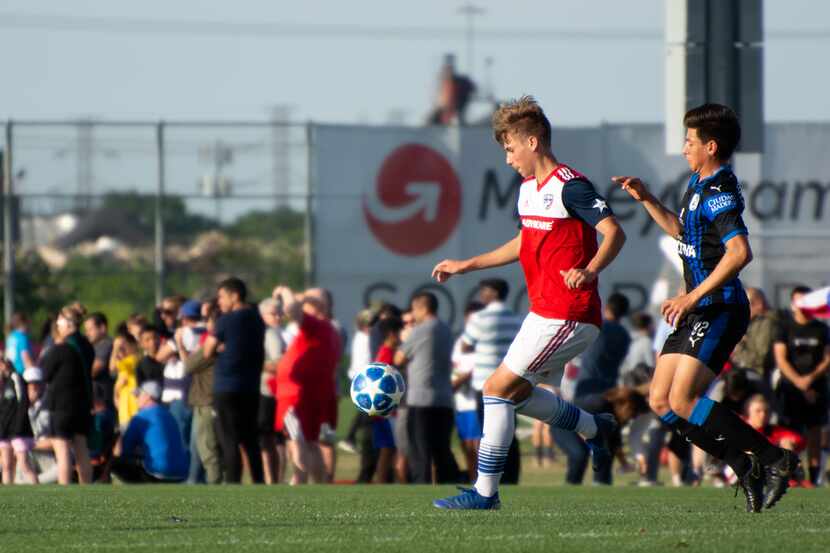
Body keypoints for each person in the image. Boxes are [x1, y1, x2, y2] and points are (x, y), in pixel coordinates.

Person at [431, 96, 625, 509]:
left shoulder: (572, 186)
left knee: (495, 389)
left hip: (570, 313)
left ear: (532, 142)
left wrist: (589, 270)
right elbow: (525, 243)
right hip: (544, 312)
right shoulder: (527, 191)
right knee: (514, 395)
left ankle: (486, 493)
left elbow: (614, 233)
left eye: (510, 148)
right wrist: (467, 265)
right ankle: (596, 429)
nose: (508, 159)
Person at [613, 103, 798, 512]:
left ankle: (774, 459)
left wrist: (690, 296)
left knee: (682, 400)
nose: (683, 148)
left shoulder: (720, 191)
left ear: (710, 146)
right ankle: (741, 467)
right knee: (660, 401)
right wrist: (646, 199)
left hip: (719, 307)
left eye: (689, 141)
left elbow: (739, 252)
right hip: (697, 308)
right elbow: (683, 234)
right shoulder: (697, 183)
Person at [270, 285, 340, 484]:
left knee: (297, 442)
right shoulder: (329, 329)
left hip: (296, 396)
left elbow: (291, 308)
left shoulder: (315, 326)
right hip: (312, 395)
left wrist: (284, 291)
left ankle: (298, 481)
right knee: (311, 443)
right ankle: (318, 486)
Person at [202, 277, 265, 484]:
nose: (219, 301)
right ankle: (259, 481)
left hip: (226, 386)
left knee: (228, 439)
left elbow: (207, 350)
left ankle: (234, 482)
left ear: (234, 296)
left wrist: (220, 348)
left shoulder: (226, 320)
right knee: (250, 439)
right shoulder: (257, 319)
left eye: (221, 296)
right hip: (251, 386)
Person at [461, 279, 524, 483]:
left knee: (488, 435)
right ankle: (511, 478)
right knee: (509, 433)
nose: (481, 294)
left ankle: (488, 480)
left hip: (485, 385)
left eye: (484, 290)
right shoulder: (515, 318)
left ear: (493, 293)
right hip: (510, 383)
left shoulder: (479, 318)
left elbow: (465, 345)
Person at [394, 292, 456, 484]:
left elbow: (398, 359)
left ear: (422, 308)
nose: (413, 315)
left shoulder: (420, 330)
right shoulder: (447, 329)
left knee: (420, 452)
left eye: (414, 310)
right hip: (445, 398)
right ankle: (448, 490)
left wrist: (405, 340)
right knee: (442, 451)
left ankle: (421, 490)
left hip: (420, 399)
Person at [772, 286, 830, 486]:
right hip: (790, 388)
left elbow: (827, 359)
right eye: (799, 301)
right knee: (789, 433)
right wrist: (798, 382)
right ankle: (790, 476)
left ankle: (814, 479)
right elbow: (781, 359)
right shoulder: (784, 328)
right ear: (792, 304)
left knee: (815, 434)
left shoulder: (822, 329)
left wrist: (810, 380)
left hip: (817, 388)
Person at [40, 307, 93, 484]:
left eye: (60, 322)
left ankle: (65, 490)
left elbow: (44, 373)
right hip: (83, 403)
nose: (57, 325)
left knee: (62, 450)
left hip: (62, 405)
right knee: (81, 448)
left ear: (69, 325)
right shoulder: (86, 345)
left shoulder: (62, 348)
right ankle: (86, 488)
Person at [111, 381, 189, 483]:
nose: (136, 399)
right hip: (182, 473)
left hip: (159, 472)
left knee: (115, 463)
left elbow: (124, 450)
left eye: (138, 395)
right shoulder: (169, 414)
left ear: (148, 397)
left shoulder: (140, 417)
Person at [183, 307, 223, 484]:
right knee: (217, 449)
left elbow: (188, 366)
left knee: (208, 450)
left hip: (206, 401)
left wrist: (181, 344)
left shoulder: (212, 345)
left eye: (207, 320)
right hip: (217, 400)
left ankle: (214, 487)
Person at [572, 293, 631, 397]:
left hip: (586, 387)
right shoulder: (625, 336)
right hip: (609, 392)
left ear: (607, 307)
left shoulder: (596, 327)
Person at [452, 302, 485, 481]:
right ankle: (474, 482)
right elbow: (455, 368)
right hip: (461, 402)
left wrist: (462, 379)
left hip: (476, 402)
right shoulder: (460, 343)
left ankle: (480, 484)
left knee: (478, 447)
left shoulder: (484, 343)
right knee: (467, 448)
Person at [259, 297, 286, 484]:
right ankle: (274, 478)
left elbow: (278, 364)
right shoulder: (273, 332)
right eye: (273, 313)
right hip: (272, 390)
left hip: (269, 390)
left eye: (279, 313)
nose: (277, 317)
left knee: (268, 439)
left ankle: (271, 479)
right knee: (273, 439)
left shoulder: (272, 334)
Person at [0, 356, 38, 484]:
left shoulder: (15, 378)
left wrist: (19, 425)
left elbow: (23, 401)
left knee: (23, 463)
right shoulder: (2, 383)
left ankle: (39, 491)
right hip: (4, 430)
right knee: (6, 464)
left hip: (17, 429)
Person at [731, 288, 778, 385]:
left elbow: (760, 359)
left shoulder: (767, 324)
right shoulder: (753, 323)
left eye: (747, 304)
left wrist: (738, 346)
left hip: (756, 376)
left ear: (759, 304)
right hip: (748, 372)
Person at [84, 312, 115, 410]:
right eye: (86, 330)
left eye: (90, 329)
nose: (87, 333)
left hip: (102, 402)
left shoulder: (105, 345)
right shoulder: (93, 346)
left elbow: (93, 371)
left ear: (102, 328)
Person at [113, 332, 141, 431]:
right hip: (125, 406)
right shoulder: (126, 363)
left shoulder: (132, 360)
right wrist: (115, 394)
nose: (121, 352)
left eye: (123, 348)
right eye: (120, 349)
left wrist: (115, 348)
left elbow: (112, 367)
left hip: (132, 407)